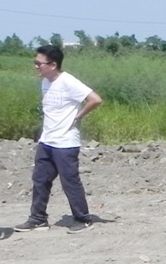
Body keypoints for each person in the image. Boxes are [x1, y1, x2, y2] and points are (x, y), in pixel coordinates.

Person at [15, 45, 104, 233]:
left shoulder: (68, 81)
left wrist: (78, 117)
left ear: (53, 64)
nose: (36, 67)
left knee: (69, 181)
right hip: (47, 140)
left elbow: (95, 99)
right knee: (40, 180)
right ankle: (38, 218)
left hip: (66, 142)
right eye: (35, 63)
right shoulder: (45, 82)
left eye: (39, 63)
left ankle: (83, 218)